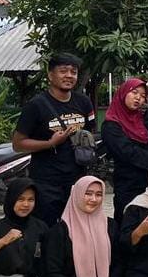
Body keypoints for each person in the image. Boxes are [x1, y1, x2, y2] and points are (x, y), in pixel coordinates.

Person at [42, 176, 135, 277]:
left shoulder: (110, 226)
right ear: (77, 194)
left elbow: (119, 262)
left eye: (98, 194)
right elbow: (52, 274)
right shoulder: (59, 231)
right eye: (88, 193)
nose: (93, 199)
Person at [12, 53, 96, 225]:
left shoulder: (84, 102)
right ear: (50, 75)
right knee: (47, 229)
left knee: (75, 228)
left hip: (77, 179)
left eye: (73, 72)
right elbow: (18, 144)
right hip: (46, 182)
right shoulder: (36, 105)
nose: (69, 76)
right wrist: (50, 143)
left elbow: (90, 132)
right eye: (63, 71)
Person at [101, 77, 148, 222]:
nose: (138, 98)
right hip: (127, 185)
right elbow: (126, 152)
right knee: (127, 223)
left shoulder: (142, 120)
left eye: (143, 96)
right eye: (134, 92)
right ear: (123, 93)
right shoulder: (111, 125)